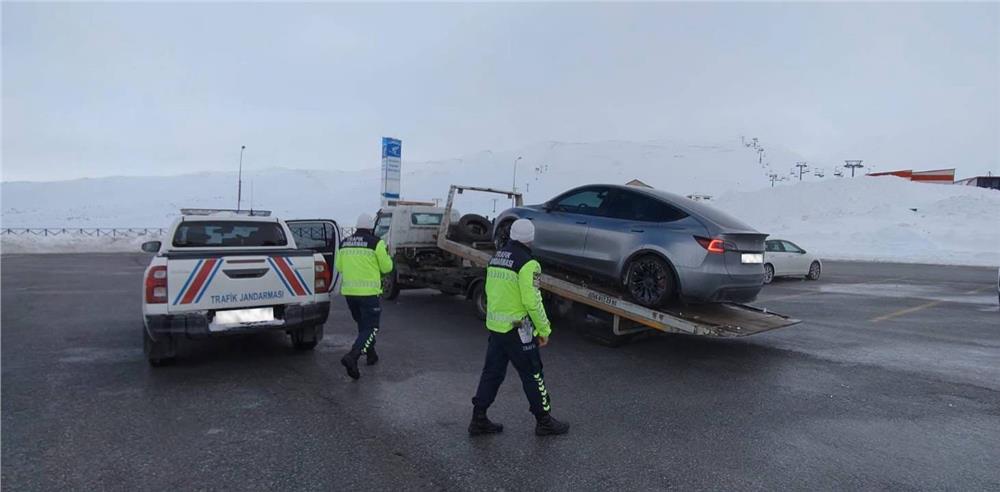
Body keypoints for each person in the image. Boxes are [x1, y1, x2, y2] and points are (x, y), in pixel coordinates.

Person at [469, 219, 569, 436]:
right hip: (518, 327)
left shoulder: (496, 258)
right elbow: (532, 301)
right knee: (533, 373)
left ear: (512, 235)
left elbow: (490, 289)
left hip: (496, 326)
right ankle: (544, 421)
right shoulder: (528, 263)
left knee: (492, 373)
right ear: (531, 238)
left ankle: (478, 418)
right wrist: (544, 330)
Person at [334, 213, 394, 380]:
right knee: (371, 328)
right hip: (368, 295)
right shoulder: (376, 243)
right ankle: (353, 356)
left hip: (350, 294)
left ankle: (371, 354)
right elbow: (387, 267)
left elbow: (339, 266)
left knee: (363, 325)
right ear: (370, 227)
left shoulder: (345, 243)